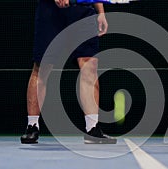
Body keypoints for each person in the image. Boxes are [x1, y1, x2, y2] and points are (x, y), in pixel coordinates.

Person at [20, 0, 116, 144]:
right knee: (42, 67)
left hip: (82, 12)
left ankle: (92, 129)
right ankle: (32, 126)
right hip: (51, 12)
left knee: (89, 66)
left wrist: (101, 12)